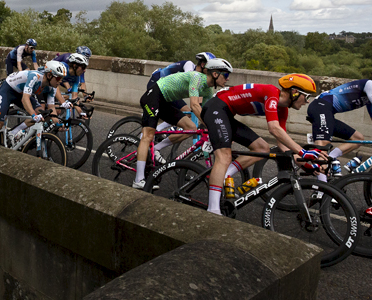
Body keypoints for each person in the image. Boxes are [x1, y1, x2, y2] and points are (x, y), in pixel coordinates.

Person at [202, 73, 324, 215]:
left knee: (262, 149)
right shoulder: (271, 93)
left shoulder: (282, 110)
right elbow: (273, 128)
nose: (307, 102)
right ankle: (213, 210)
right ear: (295, 92)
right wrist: (303, 152)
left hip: (227, 114)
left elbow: (283, 145)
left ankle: (223, 175)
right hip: (216, 107)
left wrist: (307, 164)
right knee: (224, 156)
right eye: (306, 96)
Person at [132, 57, 232, 189]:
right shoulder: (197, 77)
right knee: (148, 135)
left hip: (165, 101)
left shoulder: (208, 90)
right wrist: (211, 126)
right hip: (154, 95)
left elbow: (207, 113)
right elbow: (195, 106)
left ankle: (156, 149)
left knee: (191, 127)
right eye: (226, 75)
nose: (228, 79)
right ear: (215, 74)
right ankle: (138, 180)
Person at [306, 66, 372, 175]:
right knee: (322, 149)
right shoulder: (370, 85)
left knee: (358, 139)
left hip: (326, 111)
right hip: (320, 106)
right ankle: (320, 187)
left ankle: (330, 159)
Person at [0, 60, 70, 144]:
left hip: (21, 93)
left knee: (43, 113)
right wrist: (33, 115)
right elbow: (25, 99)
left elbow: (51, 107)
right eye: (58, 78)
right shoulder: (35, 77)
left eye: (62, 78)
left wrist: (57, 123)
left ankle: (13, 132)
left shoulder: (52, 87)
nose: (60, 81)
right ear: (49, 75)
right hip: (8, 90)